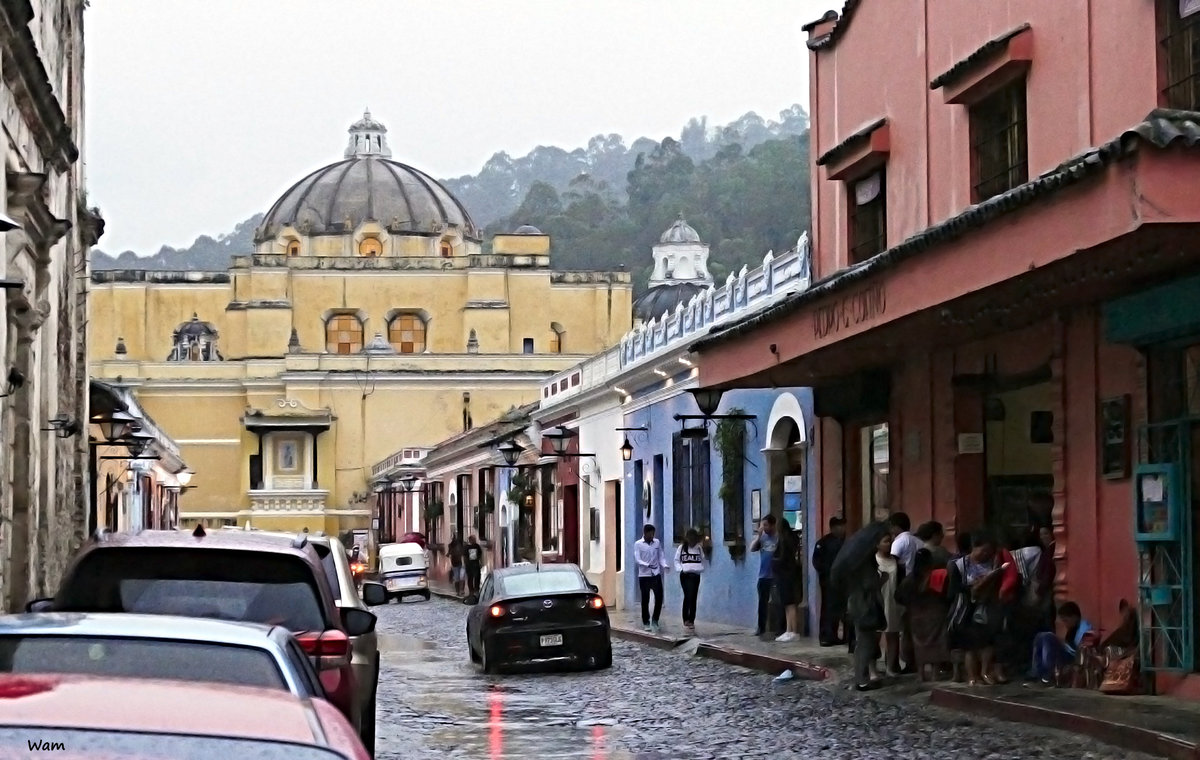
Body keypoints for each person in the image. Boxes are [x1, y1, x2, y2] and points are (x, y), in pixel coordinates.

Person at [947, 531, 1020, 686]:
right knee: (970, 646)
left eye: (988, 551)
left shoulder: (993, 563)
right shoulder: (959, 565)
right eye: (983, 550)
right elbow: (953, 590)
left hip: (988, 608)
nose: (985, 554)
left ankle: (985, 672)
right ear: (975, 547)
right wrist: (973, 587)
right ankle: (972, 675)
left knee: (988, 643)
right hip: (967, 610)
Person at [895, 548, 951, 681]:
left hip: (916, 616)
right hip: (936, 613)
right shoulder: (938, 576)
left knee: (919, 645)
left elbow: (898, 596)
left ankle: (920, 674)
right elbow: (947, 594)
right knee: (936, 643)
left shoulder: (910, 579)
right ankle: (935, 673)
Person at [848, 530, 892, 691]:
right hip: (865, 607)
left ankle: (861, 678)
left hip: (857, 605)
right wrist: (882, 580)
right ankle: (862, 679)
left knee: (862, 644)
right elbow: (869, 585)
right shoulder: (865, 563)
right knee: (865, 644)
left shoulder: (855, 561)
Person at [1029, 601, 1093, 684]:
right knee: (1040, 636)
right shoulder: (1072, 630)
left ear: (1075, 617)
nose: (1065, 624)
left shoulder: (1084, 627)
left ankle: (1049, 674)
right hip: (1069, 654)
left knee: (1048, 637)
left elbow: (1080, 649)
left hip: (1075, 658)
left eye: (1066, 620)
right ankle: (1036, 672)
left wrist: (1062, 645)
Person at [812, 516, 847, 646]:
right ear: (833, 528)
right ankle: (826, 636)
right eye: (840, 526)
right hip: (828, 581)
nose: (843, 529)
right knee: (828, 608)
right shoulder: (823, 542)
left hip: (842, 581)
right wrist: (827, 572)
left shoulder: (845, 542)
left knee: (840, 608)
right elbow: (816, 561)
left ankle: (838, 635)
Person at [876, 530, 905, 675]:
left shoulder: (896, 561)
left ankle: (891, 666)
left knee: (893, 634)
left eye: (890, 541)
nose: (889, 544)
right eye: (886, 541)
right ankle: (872, 667)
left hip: (893, 601)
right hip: (878, 601)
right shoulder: (872, 561)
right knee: (875, 635)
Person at [634, 524, 669, 633]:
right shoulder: (638, 544)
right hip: (644, 575)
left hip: (655, 574)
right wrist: (646, 564)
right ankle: (646, 622)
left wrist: (664, 565)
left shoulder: (657, 542)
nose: (652, 535)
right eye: (650, 533)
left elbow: (660, 556)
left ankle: (655, 620)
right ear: (645, 533)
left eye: (653, 533)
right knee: (645, 600)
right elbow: (637, 559)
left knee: (659, 597)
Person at [773, 520, 802, 643]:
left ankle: (793, 631)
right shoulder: (787, 540)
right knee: (786, 604)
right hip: (785, 575)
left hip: (787, 575)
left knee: (790, 604)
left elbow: (783, 557)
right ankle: (789, 630)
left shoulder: (786, 541)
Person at [750, 515, 778, 637]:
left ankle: (779, 627)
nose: (764, 527)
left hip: (776, 575)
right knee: (762, 603)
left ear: (773, 525)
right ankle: (761, 627)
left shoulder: (778, 537)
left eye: (766, 525)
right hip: (763, 575)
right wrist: (758, 536)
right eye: (763, 525)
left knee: (777, 602)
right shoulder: (762, 538)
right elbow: (752, 548)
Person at [674, 528, 706, 633]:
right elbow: (676, 560)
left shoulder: (698, 548)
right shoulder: (681, 548)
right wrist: (681, 569)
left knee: (693, 596)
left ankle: (691, 619)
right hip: (685, 575)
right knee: (688, 595)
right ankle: (686, 618)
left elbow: (703, 559)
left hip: (695, 575)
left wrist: (700, 568)